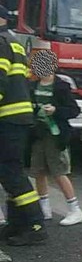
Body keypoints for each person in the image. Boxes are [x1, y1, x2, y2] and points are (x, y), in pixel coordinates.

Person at [28, 50, 82, 226]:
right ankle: (44, 207)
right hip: (38, 133)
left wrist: (56, 111)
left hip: (56, 134)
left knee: (59, 171)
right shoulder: (32, 85)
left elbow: (74, 110)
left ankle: (74, 208)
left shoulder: (61, 86)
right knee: (38, 171)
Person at [0, 34, 46, 246]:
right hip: (17, 116)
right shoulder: (14, 43)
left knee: (11, 172)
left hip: (7, 117)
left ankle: (35, 225)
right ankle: (17, 223)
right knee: (9, 170)